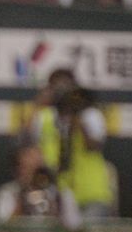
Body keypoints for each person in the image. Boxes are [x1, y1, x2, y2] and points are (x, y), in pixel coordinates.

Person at [28, 68, 114, 220]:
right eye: (57, 88)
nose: (63, 93)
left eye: (67, 88)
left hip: (91, 193)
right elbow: (27, 146)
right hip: (56, 194)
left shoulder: (90, 114)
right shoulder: (44, 117)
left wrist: (77, 115)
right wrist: (38, 105)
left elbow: (94, 146)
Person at [0, 144, 80, 229]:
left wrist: (55, 208)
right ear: (18, 170)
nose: (34, 174)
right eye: (28, 167)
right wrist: (23, 197)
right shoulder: (8, 193)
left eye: (38, 166)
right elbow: (2, 228)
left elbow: (74, 227)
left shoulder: (61, 194)